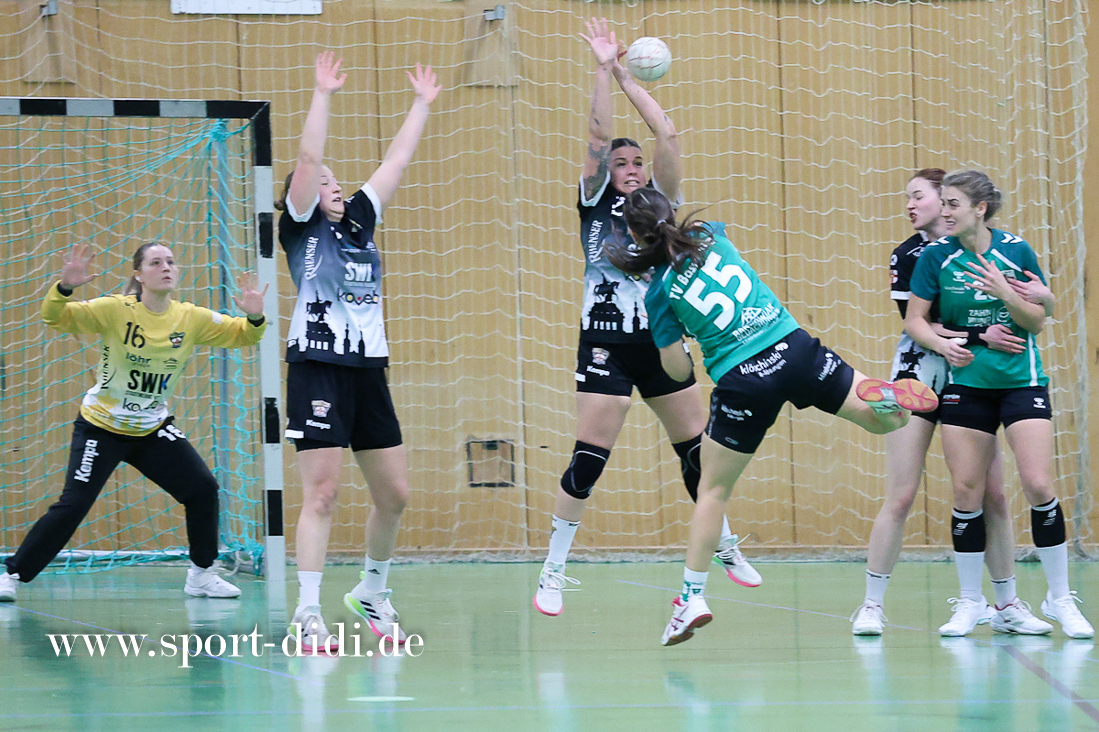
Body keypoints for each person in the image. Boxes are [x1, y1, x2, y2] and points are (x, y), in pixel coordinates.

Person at [604, 187, 938, 646]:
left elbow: (677, 372)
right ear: (671, 213)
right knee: (886, 421)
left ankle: (691, 599)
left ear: (634, 235)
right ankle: (887, 397)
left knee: (712, 489)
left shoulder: (659, 292)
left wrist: (677, 338)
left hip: (745, 378)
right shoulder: (709, 233)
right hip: (794, 348)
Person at [532, 19, 760, 619]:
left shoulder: (662, 204)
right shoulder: (595, 203)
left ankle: (723, 543)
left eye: (637, 161)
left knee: (698, 452)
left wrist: (627, 75)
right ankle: (553, 569)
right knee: (589, 457)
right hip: (605, 342)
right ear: (607, 171)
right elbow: (597, 135)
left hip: (661, 340)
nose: (632, 167)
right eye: (621, 162)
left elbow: (668, 133)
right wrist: (600, 69)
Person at [276, 51, 441, 652]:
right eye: (324, 181)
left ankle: (372, 591)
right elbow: (308, 160)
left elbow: (396, 160)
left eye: (336, 179)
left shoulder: (360, 221)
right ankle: (307, 610)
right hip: (317, 367)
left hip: (369, 369)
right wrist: (322, 94)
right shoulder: (301, 227)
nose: (334, 183)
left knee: (394, 495)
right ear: (301, 195)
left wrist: (421, 104)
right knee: (322, 493)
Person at [0, 242, 268, 603]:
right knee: (73, 505)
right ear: (138, 275)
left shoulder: (191, 317)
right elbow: (55, 317)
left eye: (170, 262)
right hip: (101, 427)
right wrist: (64, 288)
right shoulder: (114, 309)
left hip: (151, 429)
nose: (166, 267)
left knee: (203, 489)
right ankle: (13, 575)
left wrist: (255, 316)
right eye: (156, 262)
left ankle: (202, 575)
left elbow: (245, 335)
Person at [906, 169, 1092, 639]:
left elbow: (1038, 320)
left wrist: (1005, 292)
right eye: (943, 203)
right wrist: (944, 345)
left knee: (1038, 483)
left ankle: (1059, 598)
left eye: (952, 204)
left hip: (1021, 381)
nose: (944, 212)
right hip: (966, 385)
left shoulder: (1015, 250)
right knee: (967, 491)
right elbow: (915, 321)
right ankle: (971, 601)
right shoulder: (936, 257)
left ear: (980, 208)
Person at [851, 169, 1018, 637]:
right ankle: (871, 604)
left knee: (993, 494)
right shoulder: (908, 255)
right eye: (909, 197)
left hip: (973, 375)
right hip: (919, 374)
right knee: (901, 494)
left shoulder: (986, 249)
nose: (911, 205)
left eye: (920, 196)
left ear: (950, 203)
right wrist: (976, 334)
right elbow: (918, 324)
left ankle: (1005, 603)